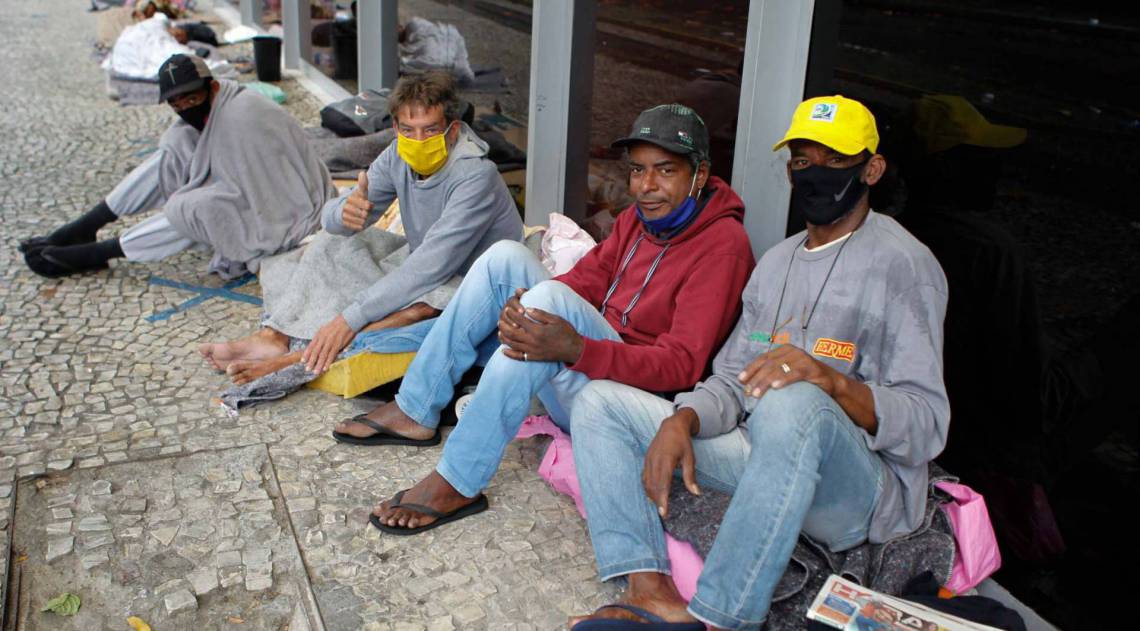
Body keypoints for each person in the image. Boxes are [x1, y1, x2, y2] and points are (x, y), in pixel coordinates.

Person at [569, 95, 949, 630]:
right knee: (597, 401)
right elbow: (731, 377)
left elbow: (927, 426)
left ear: (873, 168)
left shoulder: (904, 266)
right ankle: (647, 585)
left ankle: (723, 618)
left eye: (835, 162)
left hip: (856, 490)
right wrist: (685, 418)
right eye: (802, 162)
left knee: (794, 398)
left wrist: (832, 384)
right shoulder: (777, 263)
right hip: (765, 455)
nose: (815, 176)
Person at [354, 104, 755, 535]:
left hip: (626, 407)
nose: (646, 187)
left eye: (666, 171)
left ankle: (459, 478)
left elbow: (681, 366)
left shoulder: (723, 246)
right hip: (587, 368)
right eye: (637, 171)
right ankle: (417, 406)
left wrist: (577, 348)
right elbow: (585, 280)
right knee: (505, 258)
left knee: (546, 304)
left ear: (700, 173)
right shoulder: (639, 221)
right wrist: (522, 303)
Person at [198, 71, 523, 387]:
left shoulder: (475, 176)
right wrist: (344, 215)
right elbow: (334, 219)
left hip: (472, 276)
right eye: (408, 130)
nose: (418, 141)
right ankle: (275, 335)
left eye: (430, 130)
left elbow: (431, 267)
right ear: (395, 128)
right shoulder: (398, 153)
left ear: (452, 131)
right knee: (330, 245)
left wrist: (348, 319)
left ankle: (297, 359)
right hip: (420, 259)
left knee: (419, 308)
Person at [21, 54, 335, 279]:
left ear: (211, 88)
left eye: (191, 98)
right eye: (177, 104)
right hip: (247, 187)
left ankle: (96, 253)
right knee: (171, 151)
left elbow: (261, 192)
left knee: (196, 207)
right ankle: (85, 226)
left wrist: (198, 197)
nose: (185, 108)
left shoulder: (241, 115)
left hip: (289, 208)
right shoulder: (214, 108)